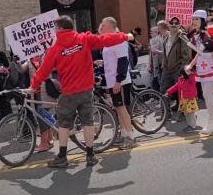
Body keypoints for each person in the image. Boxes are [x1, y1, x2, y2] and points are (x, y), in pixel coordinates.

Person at [29, 15, 134, 168]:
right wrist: (125, 36)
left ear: (59, 28)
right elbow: (105, 39)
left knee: (64, 124)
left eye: (55, 28)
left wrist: (33, 85)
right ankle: (90, 155)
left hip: (69, 92)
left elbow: (43, 70)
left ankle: (62, 157)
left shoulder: (56, 48)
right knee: (88, 122)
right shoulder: (84, 39)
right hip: (86, 90)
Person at [185, 10, 213, 135]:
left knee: (208, 95)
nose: (194, 22)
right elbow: (199, 53)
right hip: (201, 67)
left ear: (203, 20)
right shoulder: (195, 34)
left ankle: (212, 124)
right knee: (206, 95)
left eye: (197, 19)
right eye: (193, 19)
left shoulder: (210, 30)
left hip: (212, 66)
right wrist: (191, 65)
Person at [98, 17, 138, 149]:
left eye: (103, 25)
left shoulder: (119, 39)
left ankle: (131, 138)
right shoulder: (108, 41)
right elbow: (112, 59)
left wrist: (118, 81)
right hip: (112, 81)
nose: (101, 27)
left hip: (120, 81)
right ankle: (124, 134)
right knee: (118, 109)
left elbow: (122, 61)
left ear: (111, 26)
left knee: (122, 109)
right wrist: (102, 63)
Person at [20, 55, 56, 153]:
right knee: (44, 116)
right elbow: (22, 69)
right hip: (35, 92)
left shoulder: (46, 56)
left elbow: (53, 67)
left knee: (42, 118)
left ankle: (44, 143)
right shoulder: (30, 59)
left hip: (46, 90)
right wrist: (16, 61)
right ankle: (49, 140)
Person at [160, 18, 192, 95]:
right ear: (168, 24)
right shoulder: (166, 37)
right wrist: (163, 65)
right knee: (164, 90)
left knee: (180, 92)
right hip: (166, 69)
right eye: (172, 23)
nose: (174, 25)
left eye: (176, 23)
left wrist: (181, 69)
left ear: (179, 25)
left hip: (177, 70)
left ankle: (179, 107)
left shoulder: (182, 37)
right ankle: (166, 107)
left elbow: (187, 55)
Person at [165, 68, 198, 132]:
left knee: (190, 113)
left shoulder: (191, 78)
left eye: (182, 74)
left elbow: (193, 75)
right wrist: (168, 92)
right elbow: (175, 87)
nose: (181, 76)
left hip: (190, 99)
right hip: (183, 99)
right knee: (186, 113)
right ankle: (190, 125)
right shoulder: (181, 79)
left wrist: (190, 72)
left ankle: (193, 126)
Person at [148, 26, 164, 91]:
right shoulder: (152, 41)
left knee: (159, 82)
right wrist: (149, 64)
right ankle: (155, 98)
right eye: (150, 32)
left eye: (151, 32)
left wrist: (156, 51)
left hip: (160, 65)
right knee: (153, 82)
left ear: (156, 32)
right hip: (153, 66)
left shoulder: (160, 40)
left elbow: (164, 53)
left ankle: (159, 98)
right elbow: (150, 54)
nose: (150, 34)